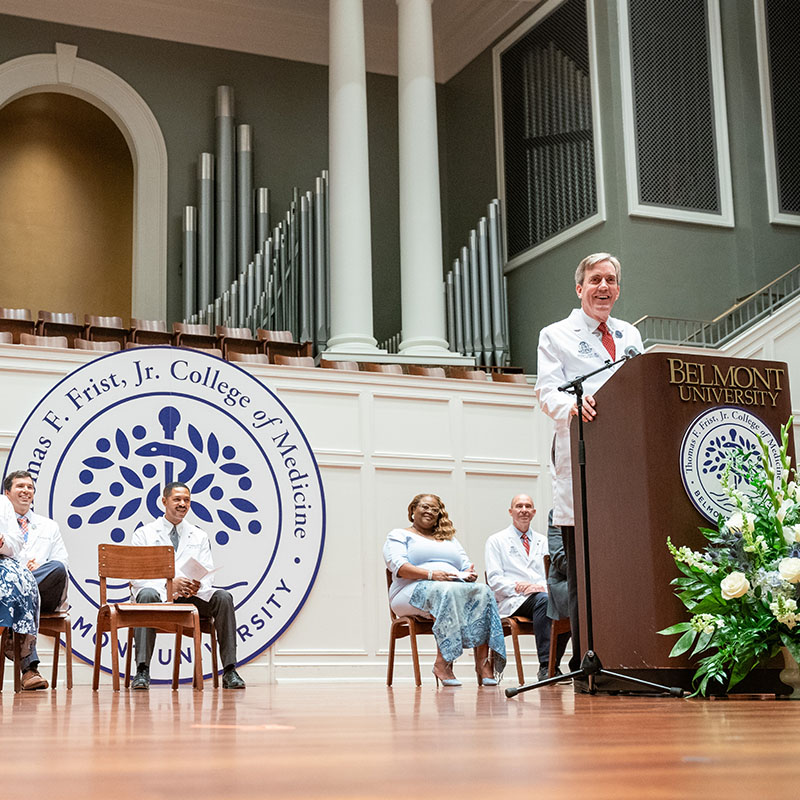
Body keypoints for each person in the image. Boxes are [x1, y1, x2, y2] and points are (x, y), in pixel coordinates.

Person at [535, 253, 643, 671]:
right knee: (585, 574)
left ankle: (629, 658)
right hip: (583, 456)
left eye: (611, 280)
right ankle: (588, 665)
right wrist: (574, 405)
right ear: (580, 288)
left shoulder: (630, 333)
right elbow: (547, 392)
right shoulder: (556, 334)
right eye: (596, 279)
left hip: (627, 460)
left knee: (625, 563)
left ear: (618, 289)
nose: (604, 287)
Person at [130, 481, 245, 690]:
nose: (182, 504)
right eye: (177, 499)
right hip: (157, 597)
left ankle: (230, 670)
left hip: (191, 597)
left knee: (223, 597)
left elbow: (207, 573)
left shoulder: (199, 535)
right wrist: (169, 586)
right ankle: (142, 670)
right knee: (146, 594)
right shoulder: (144, 535)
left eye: (186, 500)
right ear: (164, 501)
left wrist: (196, 585)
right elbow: (137, 577)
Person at [383, 493, 506, 686]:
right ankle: (443, 663)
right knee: (444, 591)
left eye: (434, 509)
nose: (430, 511)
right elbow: (399, 567)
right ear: (412, 510)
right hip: (408, 593)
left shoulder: (449, 539)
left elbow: (465, 564)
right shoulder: (399, 535)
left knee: (483, 591)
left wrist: (468, 573)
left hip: (450, 588)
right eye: (425, 507)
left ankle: (483, 663)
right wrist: (432, 575)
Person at [4, 469, 70, 690]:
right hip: (12, 593)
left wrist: (41, 567)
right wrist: (20, 573)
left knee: (57, 568)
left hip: (44, 591)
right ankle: (30, 670)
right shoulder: (2, 525)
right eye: (20, 486)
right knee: (15, 589)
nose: (26, 491)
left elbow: (62, 562)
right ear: (7, 492)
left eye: (30, 487)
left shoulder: (49, 526)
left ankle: (21, 586)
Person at [485, 495, 560, 681]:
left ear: (534, 513)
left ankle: (554, 665)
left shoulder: (544, 541)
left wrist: (539, 587)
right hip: (512, 600)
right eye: (519, 506)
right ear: (511, 512)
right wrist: (519, 587)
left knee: (565, 605)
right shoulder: (496, 541)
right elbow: (494, 579)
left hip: (541, 595)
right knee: (544, 602)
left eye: (528, 506)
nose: (524, 509)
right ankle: (546, 667)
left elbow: (553, 575)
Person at [0, 493, 41, 689]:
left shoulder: (3, 503)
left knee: (18, 585)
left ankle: (28, 665)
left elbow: (15, 542)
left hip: (4, 564)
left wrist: (1, 541)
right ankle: (28, 667)